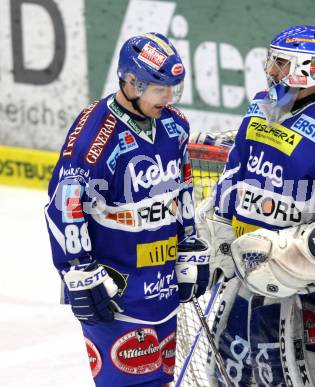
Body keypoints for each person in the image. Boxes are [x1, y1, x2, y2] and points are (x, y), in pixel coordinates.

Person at [197, 25, 315, 386]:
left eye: (281, 62)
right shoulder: (261, 104)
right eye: (273, 61)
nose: (271, 70)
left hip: (314, 286)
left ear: (308, 67)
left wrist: (305, 253)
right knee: (246, 367)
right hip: (248, 268)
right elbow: (237, 169)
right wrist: (221, 226)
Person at [44, 32, 210, 387]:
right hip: (115, 289)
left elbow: (182, 189)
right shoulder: (95, 134)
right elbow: (64, 206)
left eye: (174, 89)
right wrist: (78, 271)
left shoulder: (175, 126)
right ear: (131, 81)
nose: (168, 98)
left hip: (162, 284)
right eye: (159, 88)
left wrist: (190, 245)